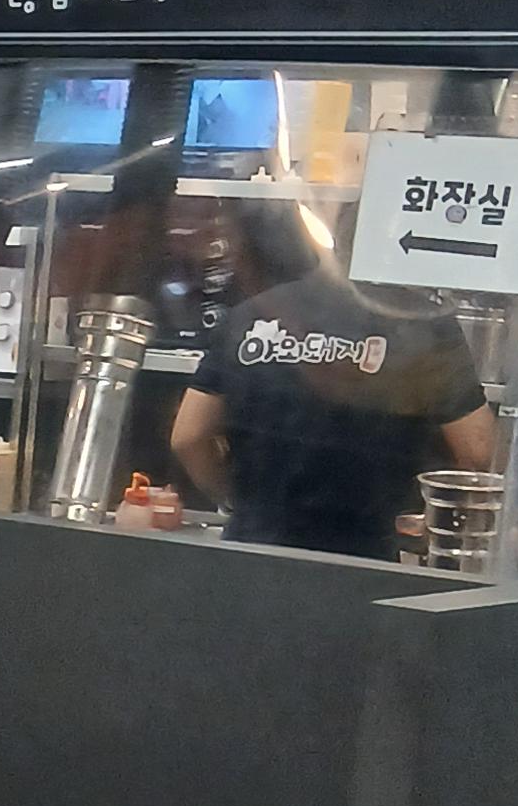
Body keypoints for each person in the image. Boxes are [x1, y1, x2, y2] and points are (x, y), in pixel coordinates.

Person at [170, 204, 497, 557]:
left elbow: (189, 436)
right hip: (362, 558)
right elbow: (478, 452)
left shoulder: (253, 313)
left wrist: (239, 503)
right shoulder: (426, 326)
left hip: (251, 549)